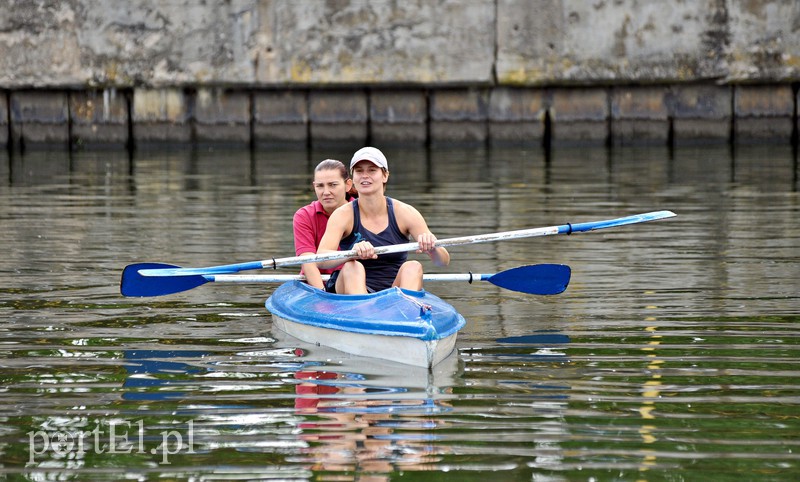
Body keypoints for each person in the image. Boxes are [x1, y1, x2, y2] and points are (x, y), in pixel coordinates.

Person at [317, 147, 450, 294]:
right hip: (353, 291)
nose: (365, 176)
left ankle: (403, 308)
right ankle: (364, 311)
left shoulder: (405, 213)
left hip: (394, 292)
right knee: (352, 266)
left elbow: (443, 262)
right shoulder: (342, 215)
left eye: (372, 170)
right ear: (353, 179)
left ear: (385, 175)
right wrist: (351, 253)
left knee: (413, 266)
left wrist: (432, 249)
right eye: (359, 171)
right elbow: (321, 259)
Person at [293, 159, 356, 291]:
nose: (326, 192)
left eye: (332, 185)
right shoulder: (303, 216)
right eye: (320, 186)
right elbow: (308, 261)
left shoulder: (362, 212)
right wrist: (322, 294)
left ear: (348, 185)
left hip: (353, 282)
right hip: (317, 287)